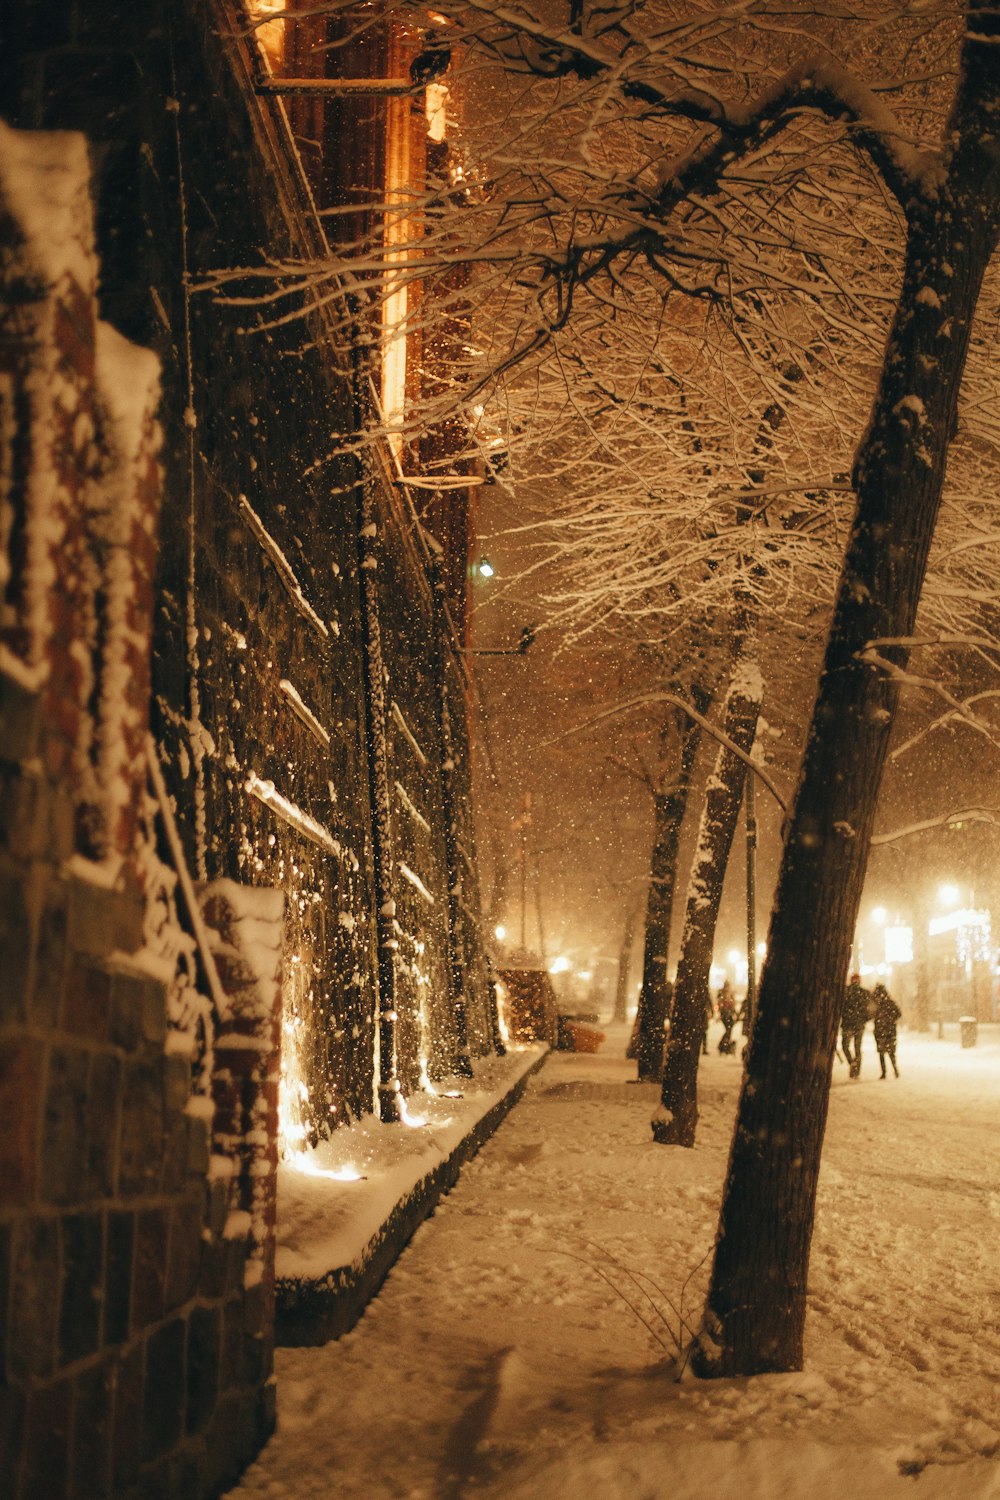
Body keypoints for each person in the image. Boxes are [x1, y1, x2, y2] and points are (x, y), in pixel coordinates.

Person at [841, 972, 870, 1077]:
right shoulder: (864, 993)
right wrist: (864, 1019)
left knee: (845, 1046)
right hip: (858, 1025)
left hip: (848, 1024)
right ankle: (856, 1069)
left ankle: (852, 1063)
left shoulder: (845, 991)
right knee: (857, 1048)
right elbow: (869, 1010)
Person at [872, 981, 902, 1079]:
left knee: (882, 1053)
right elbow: (898, 1014)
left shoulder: (878, 1004)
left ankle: (885, 1072)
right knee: (890, 1052)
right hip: (889, 1031)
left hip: (882, 1031)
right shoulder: (889, 1003)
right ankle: (894, 1070)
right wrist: (890, 1020)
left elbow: (897, 1014)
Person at [717, 980, 737, 1055]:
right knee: (728, 1030)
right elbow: (721, 1004)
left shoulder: (729, 993)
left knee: (729, 1029)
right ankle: (723, 1045)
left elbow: (733, 1004)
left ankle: (725, 1045)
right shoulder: (722, 993)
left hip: (728, 1014)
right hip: (725, 1014)